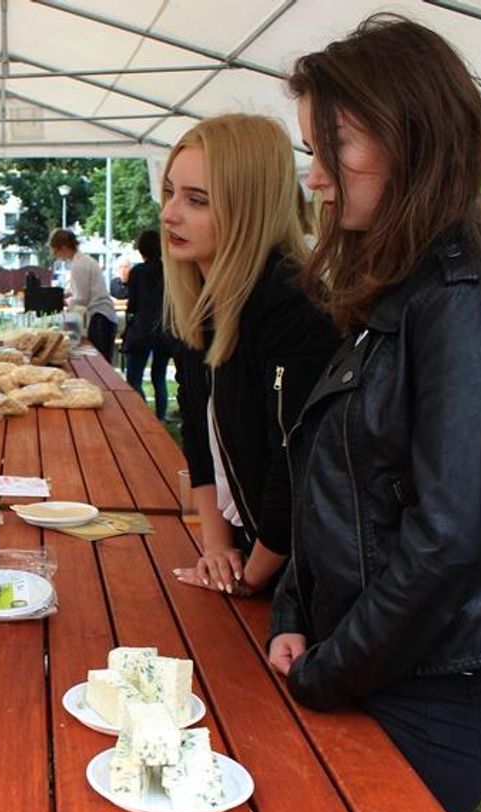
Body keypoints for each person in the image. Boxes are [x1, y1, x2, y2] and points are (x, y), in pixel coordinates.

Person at [266, 17, 481, 812]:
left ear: (413, 138)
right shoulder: (403, 288)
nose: (314, 177)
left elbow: (450, 539)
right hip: (369, 656)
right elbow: (343, 490)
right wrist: (296, 615)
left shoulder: (462, 301)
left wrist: (327, 666)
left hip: (432, 682)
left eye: (331, 146)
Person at [163, 114, 339, 598]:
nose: (170, 215)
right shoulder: (199, 299)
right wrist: (216, 548)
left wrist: (249, 577)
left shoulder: (292, 304)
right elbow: (197, 433)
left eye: (196, 200)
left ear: (249, 208)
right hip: (252, 547)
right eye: (169, 193)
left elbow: (296, 463)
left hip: (303, 578)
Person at [121, 230, 173, 420]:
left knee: (134, 378)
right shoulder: (170, 270)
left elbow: (132, 303)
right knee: (159, 377)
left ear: (142, 249)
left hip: (142, 328)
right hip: (165, 329)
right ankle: (160, 416)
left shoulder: (137, 272)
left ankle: (141, 415)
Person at [48, 229, 118, 361]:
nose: (56, 255)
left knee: (99, 362)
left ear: (63, 247)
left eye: (55, 251)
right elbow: (80, 291)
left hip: (100, 318)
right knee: (102, 360)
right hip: (103, 316)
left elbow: (82, 298)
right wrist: (66, 294)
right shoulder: (82, 261)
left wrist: (66, 305)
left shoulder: (79, 265)